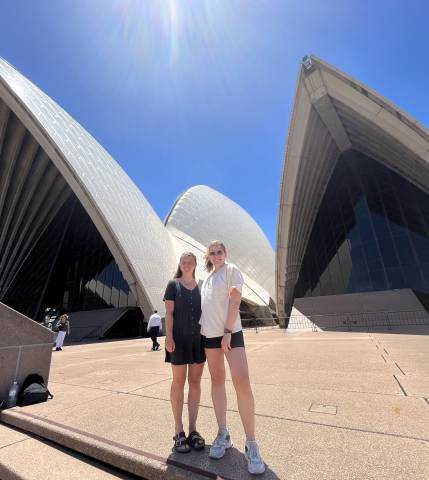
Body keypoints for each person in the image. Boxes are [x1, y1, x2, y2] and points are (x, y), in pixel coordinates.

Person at [200, 241, 265, 475]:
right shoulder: (206, 279)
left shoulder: (231, 270)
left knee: (242, 382)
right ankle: (223, 434)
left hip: (231, 333)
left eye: (220, 252)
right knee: (217, 380)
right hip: (209, 336)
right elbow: (207, 308)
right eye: (213, 253)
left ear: (225, 254)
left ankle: (251, 443)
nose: (216, 256)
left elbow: (235, 300)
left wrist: (227, 331)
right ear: (208, 256)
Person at [164, 252, 206, 453]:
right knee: (178, 382)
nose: (187, 264)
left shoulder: (202, 286)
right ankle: (178, 430)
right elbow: (169, 313)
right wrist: (168, 336)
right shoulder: (173, 285)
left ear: (196, 264)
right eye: (184, 262)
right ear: (180, 264)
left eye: (190, 262)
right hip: (178, 341)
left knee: (195, 383)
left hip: (198, 341)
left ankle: (193, 430)